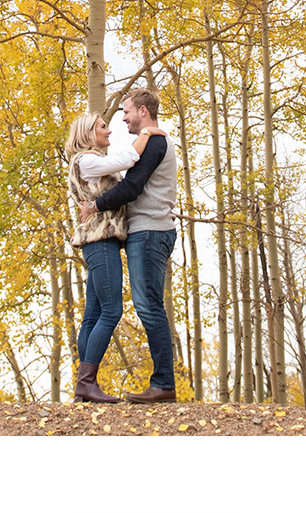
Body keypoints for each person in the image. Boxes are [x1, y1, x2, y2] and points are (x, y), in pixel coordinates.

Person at [80, 87, 179, 403]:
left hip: (151, 231)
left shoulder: (157, 143)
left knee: (149, 306)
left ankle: (163, 383)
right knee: (135, 306)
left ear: (143, 112)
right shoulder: (151, 140)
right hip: (143, 232)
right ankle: (87, 383)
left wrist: (96, 206)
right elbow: (128, 169)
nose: (123, 118)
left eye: (126, 111)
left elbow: (132, 187)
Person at [65, 109, 162, 404]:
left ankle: (84, 386)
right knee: (111, 311)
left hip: (99, 241)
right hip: (100, 240)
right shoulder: (87, 160)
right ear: (87, 134)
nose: (109, 131)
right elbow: (127, 159)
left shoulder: (89, 162)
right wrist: (147, 133)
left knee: (93, 314)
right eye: (103, 127)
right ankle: (86, 383)